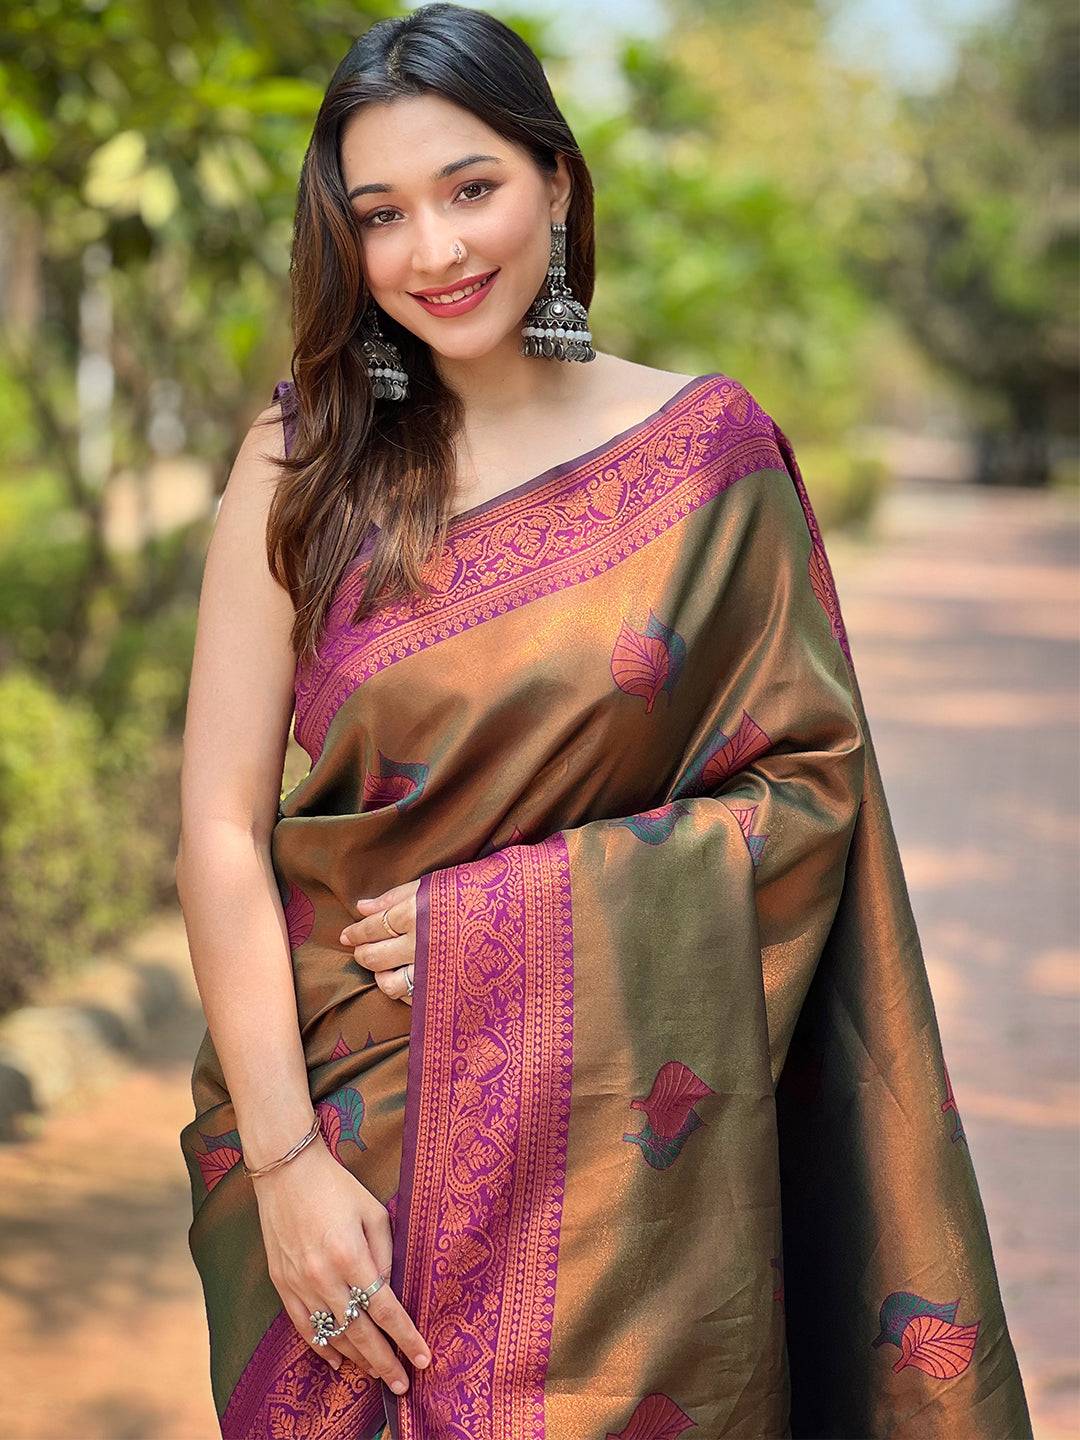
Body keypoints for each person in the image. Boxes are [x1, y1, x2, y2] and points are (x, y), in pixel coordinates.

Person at [177, 6, 1034, 1438]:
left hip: (629, 1185)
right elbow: (216, 824)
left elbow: (813, 793)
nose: (435, 252)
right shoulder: (300, 462)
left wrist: (511, 920)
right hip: (350, 1136)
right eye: (381, 215)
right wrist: (282, 1169)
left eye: (472, 189)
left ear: (557, 184)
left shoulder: (706, 458)